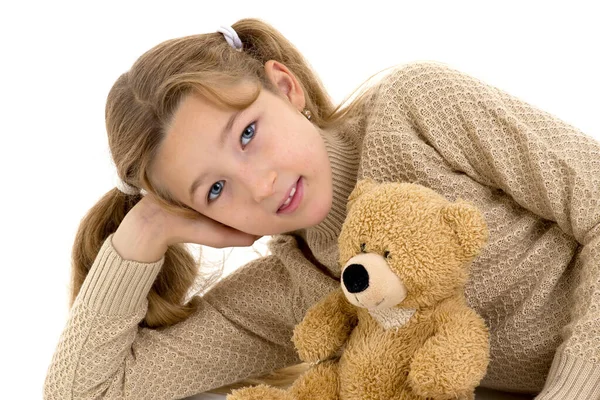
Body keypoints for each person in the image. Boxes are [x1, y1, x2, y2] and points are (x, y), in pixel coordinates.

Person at [43, 18, 600, 400]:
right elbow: (85, 391)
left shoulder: (417, 109)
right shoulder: (289, 293)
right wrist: (147, 226)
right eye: (214, 191)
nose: (259, 185)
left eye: (247, 134)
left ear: (285, 87)